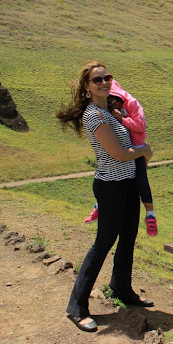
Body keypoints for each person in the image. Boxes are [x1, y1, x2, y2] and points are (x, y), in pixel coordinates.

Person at [56, 61, 154, 333]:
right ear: (87, 87)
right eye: (96, 80)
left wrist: (139, 151)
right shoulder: (94, 116)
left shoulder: (110, 111)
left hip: (127, 184)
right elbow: (120, 153)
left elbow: (126, 144)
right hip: (110, 186)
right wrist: (144, 150)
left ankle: (121, 288)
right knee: (103, 243)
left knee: (128, 238)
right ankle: (76, 307)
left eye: (106, 77)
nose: (103, 83)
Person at [83, 79, 158, 236]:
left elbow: (140, 125)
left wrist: (122, 120)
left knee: (142, 182)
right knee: (112, 177)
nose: (112, 104)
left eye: (114, 100)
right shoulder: (104, 111)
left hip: (137, 148)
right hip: (124, 151)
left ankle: (150, 215)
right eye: (109, 101)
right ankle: (99, 206)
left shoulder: (131, 104)